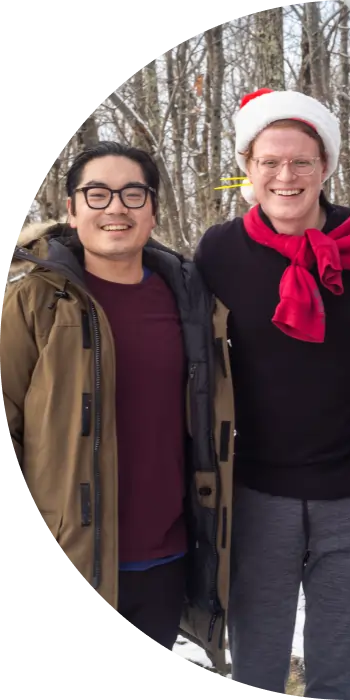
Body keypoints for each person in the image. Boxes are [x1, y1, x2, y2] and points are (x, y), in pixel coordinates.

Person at [193, 88, 350, 697]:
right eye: (269, 161)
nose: (285, 176)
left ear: (325, 167)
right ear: (248, 168)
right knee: (257, 671)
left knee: (337, 677)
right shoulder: (220, 252)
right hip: (257, 498)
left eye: (301, 161)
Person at [1, 142, 235, 670]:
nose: (116, 208)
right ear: (71, 209)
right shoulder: (35, 301)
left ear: (152, 208)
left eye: (133, 193)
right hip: (74, 553)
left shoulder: (189, 299)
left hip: (164, 560)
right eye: (97, 193)